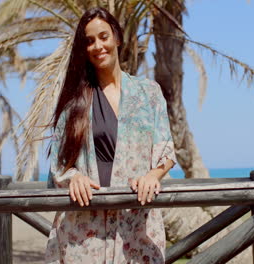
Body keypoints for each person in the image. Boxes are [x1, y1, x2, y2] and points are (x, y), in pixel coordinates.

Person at [45, 7, 176, 264]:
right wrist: (74, 177)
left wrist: (153, 175)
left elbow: (166, 149)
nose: (97, 46)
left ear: (117, 37)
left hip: (136, 229)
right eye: (89, 41)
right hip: (84, 235)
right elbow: (58, 165)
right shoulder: (75, 101)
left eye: (103, 37)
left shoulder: (148, 93)